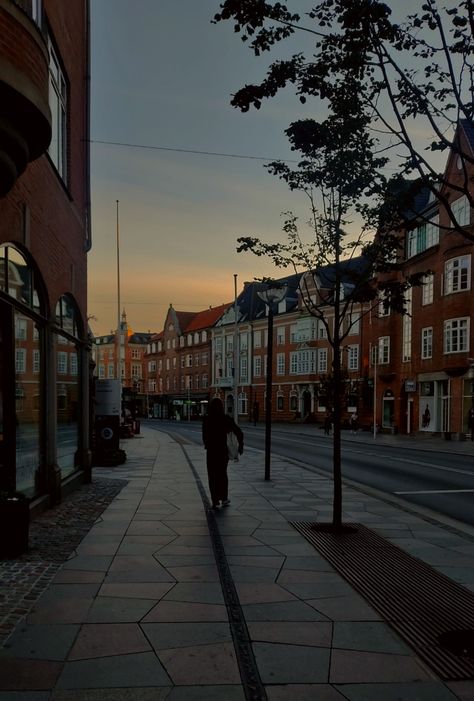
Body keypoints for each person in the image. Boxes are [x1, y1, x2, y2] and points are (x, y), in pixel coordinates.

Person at [202, 397, 243, 509]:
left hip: (211, 451)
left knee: (212, 476)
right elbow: (238, 431)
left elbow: (204, 436)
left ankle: (215, 500)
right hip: (222, 451)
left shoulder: (207, 419)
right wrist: (240, 446)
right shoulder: (225, 418)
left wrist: (207, 444)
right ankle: (224, 498)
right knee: (222, 474)